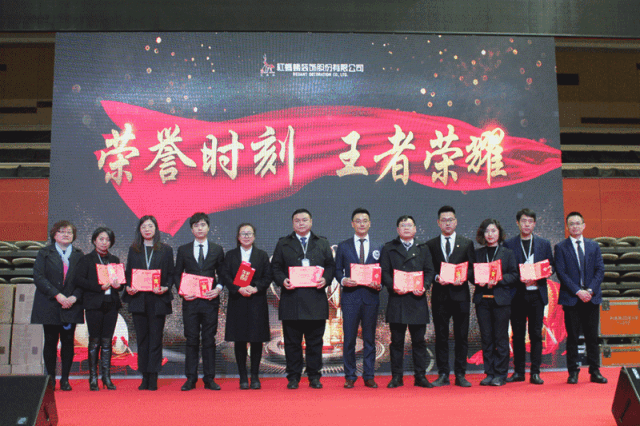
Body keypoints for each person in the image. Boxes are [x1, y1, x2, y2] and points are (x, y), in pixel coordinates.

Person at [271, 208, 336, 390]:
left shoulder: (322, 242)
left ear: (311, 222)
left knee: (315, 343)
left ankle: (314, 376)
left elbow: (331, 266)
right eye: (297, 220)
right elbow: (275, 268)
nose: (301, 223)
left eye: (304, 220)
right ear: (293, 224)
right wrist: (282, 280)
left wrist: (326, 279)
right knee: (292, 343)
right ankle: (293, 377)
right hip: (292, 300)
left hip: (316, 300)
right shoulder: (283, 243)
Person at [380, 215, 435, 389]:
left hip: (417, 301)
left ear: (415, 229)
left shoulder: (423, 248)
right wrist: (393, 287)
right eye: (403, 225)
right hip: (397, 300)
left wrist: (425, 286)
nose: (406, 228)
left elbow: (430, 271)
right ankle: (397, 377)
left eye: (409, 225)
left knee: (419, 342)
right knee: (396, 342)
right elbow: (384, 272)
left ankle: (420, 376)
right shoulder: (389, 248)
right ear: (397, 229)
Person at [554, 211, 607, 384]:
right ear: (567, 227)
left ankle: (595, 371)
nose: (575, 226)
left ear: (584, 225)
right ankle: (573, 372)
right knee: (573, 337)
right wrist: (578, 291)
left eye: (578, 223)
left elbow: (600, 270)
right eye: (572, 224)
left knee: (592, 337)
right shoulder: (561, 247)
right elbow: (561, 273)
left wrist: (590, 290)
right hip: (572, 299)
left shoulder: (593, 246)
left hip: (591, 298)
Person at [174, 212, 225, 391]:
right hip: (191, 301)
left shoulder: (217, 249)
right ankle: (191, 378)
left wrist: (218, 289)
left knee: (209, 339)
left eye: (202, 225)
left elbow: (223, 274)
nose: (199, 228)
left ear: (208, 227)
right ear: (191, 229)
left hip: (210, 301)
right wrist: (182, 292)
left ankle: (209, 378)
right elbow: (177, 274)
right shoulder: (184, 249)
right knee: (191, 339)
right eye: (196, 226)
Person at [31, 220, 84, 391]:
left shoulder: (79, 255)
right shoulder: (44, 253)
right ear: (54, 234)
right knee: (50, 341)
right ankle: (51, 379)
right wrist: (57, 295)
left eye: (69, 232)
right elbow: (39, 277)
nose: (66, 235)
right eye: (62, 231)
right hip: (50, 304)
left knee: (68, 341)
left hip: (71, 305)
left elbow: (84, 279)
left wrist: (74, 297)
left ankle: (65, 379)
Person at [426, 206, 476, 387]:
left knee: (461, 336)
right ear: (438, 223)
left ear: (456, 222)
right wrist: (436, 278)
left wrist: (463, 277)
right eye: (444, 220)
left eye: (450, 220)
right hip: (440, 296)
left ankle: (460, 374)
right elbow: (429, 269)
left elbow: (473, 269)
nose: (447, 223)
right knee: (441, 336)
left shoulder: (466, 243)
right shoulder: (431, 244)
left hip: (460, 296)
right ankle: (443, 374)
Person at [503, 208, 554, 385]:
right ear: (517, 223)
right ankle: (518, 372)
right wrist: (521, 277)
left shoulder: (544, 243)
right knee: (517, 335)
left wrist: (544, 273)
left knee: (536, 334)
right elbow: (506, 268)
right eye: (523, 221)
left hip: (537, 295)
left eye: (530, 221)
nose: (527, 224)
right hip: (517, 294)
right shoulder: (509, 244)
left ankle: (535, 372)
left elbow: (551, 266)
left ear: (534, 224)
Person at [123, 215, 174, 391]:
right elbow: (129, 272)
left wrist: (166, 287)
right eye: (144, 226)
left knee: (156, 339)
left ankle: (153, 376)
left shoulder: (166, 249)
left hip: (158, 300)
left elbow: (171, 274)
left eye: (150, 226)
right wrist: (128, 287)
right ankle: (144, 376)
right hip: (139, 300)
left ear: (156, 229)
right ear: (140, 229)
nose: (147, 229)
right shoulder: (134, 249)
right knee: (142, 340)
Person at [334, 208, 383, 389]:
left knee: (369, 339)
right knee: (349, 339)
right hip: (350, 298)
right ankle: (350, 376)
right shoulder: (343, 246)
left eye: (365, 221)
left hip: (371, 297)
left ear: (370, 223)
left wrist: (379, 284)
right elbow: (337, 270)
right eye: (358, 221)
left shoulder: (379, 246)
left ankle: (369, 375)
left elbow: (383, 271)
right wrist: (343, 280)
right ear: (352, 224)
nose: (361, 224)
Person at [221, 223, 273, 390]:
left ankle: (255, 376)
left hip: (256, 300)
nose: (246, 236)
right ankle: (243, 377)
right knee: (240, 340)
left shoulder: (261, 255)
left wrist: (255, 287)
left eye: (249, 233)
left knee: (257, 340)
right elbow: (225, 275)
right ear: (238, 237)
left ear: (254, 236)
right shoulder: (230, 255)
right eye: (243, 233)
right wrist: (238, 288)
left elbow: (268, 276)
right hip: (238, 301)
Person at [74, 227, 122, 391]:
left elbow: (121, 283)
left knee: (107, 341)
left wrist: (119, 285)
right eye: (101, 239)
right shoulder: (86, 259)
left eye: (107, 240)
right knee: (94, 341)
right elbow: (79, 280)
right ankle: (93, 378)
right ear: (94, 240)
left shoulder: (114, 259)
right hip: (94, 304)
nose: (104, 242)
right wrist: (98, 286)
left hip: (111, 303)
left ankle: (106, 377)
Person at [473, 218, 518, 387]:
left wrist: (498, 280)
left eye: (493, 231)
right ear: (482, 234)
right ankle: (489, 373)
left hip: (501, 301)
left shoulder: (507, 253)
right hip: (482, 301)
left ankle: (500, 373)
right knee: (486, 338)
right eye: (487, 231)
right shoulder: (478, 253)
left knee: (501, 338)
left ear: (499, 233)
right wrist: (478, 280)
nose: (490, 234)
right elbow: (471, 274)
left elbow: (514, 275)